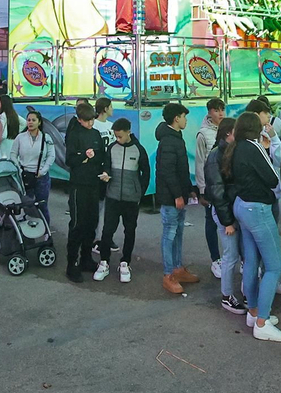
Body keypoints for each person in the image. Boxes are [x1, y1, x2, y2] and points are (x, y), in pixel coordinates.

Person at [232, 112, 281, 341]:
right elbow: (272, 179)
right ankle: (262, 321)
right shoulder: (253, 147)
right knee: (274, 266)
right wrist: (267, 149)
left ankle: (254, 311)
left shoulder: (237, 147)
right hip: (257, 209)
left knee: (251, 260)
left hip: (242, 205)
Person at [95, 117, 151, 285]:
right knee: (107, 231)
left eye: (120, 136)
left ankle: (125, 262)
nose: (117, 139)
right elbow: (107, 166)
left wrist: (139, 194)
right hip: (112, 197)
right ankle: (104, 262)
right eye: (115, 136)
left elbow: (146, 173)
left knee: (130, 230)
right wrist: (105, 174)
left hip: (131, 199)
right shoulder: (111, 148)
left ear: (128, 132)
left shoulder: (139, 150)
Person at [204, 117, 248, 314]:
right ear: (228, 133)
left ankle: (245, 292)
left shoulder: (232, 152)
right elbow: (217, 192)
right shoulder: (216, 156)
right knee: (231, 256)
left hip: (235, 210)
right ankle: (226, 296)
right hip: (226, 214)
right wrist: (227, 221)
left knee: (244, 255)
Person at [153, 102, 197, 288]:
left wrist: (189, 190)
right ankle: (168, 274)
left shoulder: (176, 137)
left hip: (178, 195)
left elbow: (181, 170)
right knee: (170, 233)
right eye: (184, 116)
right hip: (170, 197)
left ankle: (178, 269)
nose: (186, 119)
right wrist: (178, 195)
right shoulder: (170, 140)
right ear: (176, 118)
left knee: (178, 232)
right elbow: (167, 171)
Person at [64, 102, 109, 283]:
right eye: (87, 121)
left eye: (92, 121)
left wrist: (101, 167)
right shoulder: (74, 135)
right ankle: (71, 264)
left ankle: (86, 258)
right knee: (77, 225)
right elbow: (70, 160)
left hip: (94, 183)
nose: (90, 124)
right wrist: (84, 156)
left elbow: (101, 156)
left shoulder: (96, 134)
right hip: (78, 185)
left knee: (92, 223)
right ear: (79, 120)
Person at [194, 98, 227, 279]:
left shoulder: (228, 129)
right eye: (216, 110)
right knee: (211, 221)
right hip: (210, 185)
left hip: (227, 184)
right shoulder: (203, 134)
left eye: (222, 109)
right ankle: (215, 259)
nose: (220, 113)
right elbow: (200, 163)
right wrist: (202, 189)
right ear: (209, 112)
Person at [14, 110, 55, 227]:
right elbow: (13, 154)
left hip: (41, 176)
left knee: (42, 204)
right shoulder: (20, 137)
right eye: (28, 120)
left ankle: (46, 230)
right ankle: (27, 228)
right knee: (26, 204)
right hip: (25, 175)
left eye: (33, 120)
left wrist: (43, 170)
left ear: (39, 122)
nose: (30, 122)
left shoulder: (46, 138)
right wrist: (19, 168)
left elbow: (51, 156)